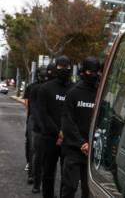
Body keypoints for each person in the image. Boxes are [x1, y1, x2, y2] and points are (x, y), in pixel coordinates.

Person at [61, 56, 100, 198]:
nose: (93, 75)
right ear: (83, 72)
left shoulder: (99, 94)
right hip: (74, 149)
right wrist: (81, 143)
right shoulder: (73, 93)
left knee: (88, 189)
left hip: (92, 150)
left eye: (96, 72)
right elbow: (67, 121)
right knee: (70, 186)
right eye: (90, 72)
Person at [38, 56, 73, 198]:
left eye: (67, 67)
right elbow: (43, 114)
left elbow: (75, 115)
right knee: (48, 173)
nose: (64, 70)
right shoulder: (45, 89)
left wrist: (65, 132)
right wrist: (58, 132)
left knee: (67, 176)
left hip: (68, 139)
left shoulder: (74, 89)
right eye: (60, 67)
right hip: (50, 138)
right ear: (55, 68)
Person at [29, 67, 49, 193]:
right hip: (38, 127)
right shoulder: (35, 88)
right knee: (37, 155)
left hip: (47, 128)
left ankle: (40, 181)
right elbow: (33, 107)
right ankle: (35, 180)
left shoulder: (49, 88)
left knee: (42, 157)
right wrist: (41, 125)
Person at [23, 71, 41, 184]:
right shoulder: (45, 87)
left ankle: (30, 163)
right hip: (34, 119)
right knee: (33, 144)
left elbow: (26, 103)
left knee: (30, 143)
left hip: (32, 118)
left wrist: (29, 114)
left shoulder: (31, 87)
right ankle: (32, 165)